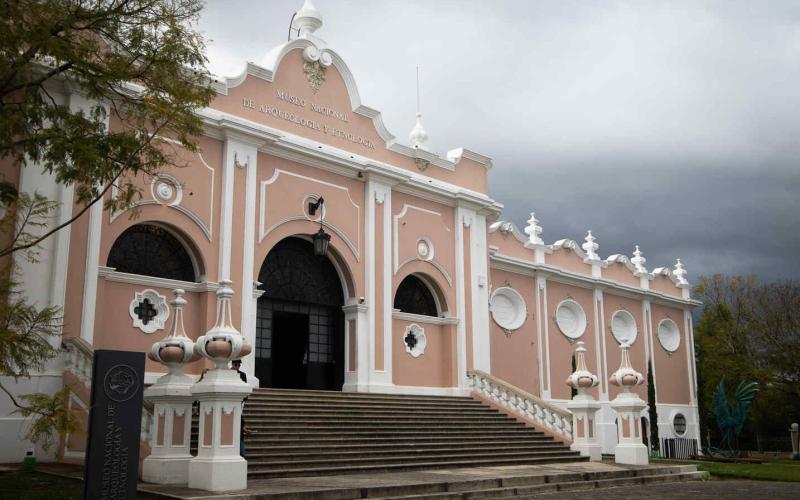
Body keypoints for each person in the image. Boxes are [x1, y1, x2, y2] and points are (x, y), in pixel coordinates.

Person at [230, 359, 251, 457]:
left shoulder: (242, 375)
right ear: (232, 364)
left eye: (239, 365)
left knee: (239, 416)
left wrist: (244, 398)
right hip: (230, 399)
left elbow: (245, 386)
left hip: (240, 400)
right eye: (236, 364)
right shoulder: (227, 373)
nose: (237, 366)